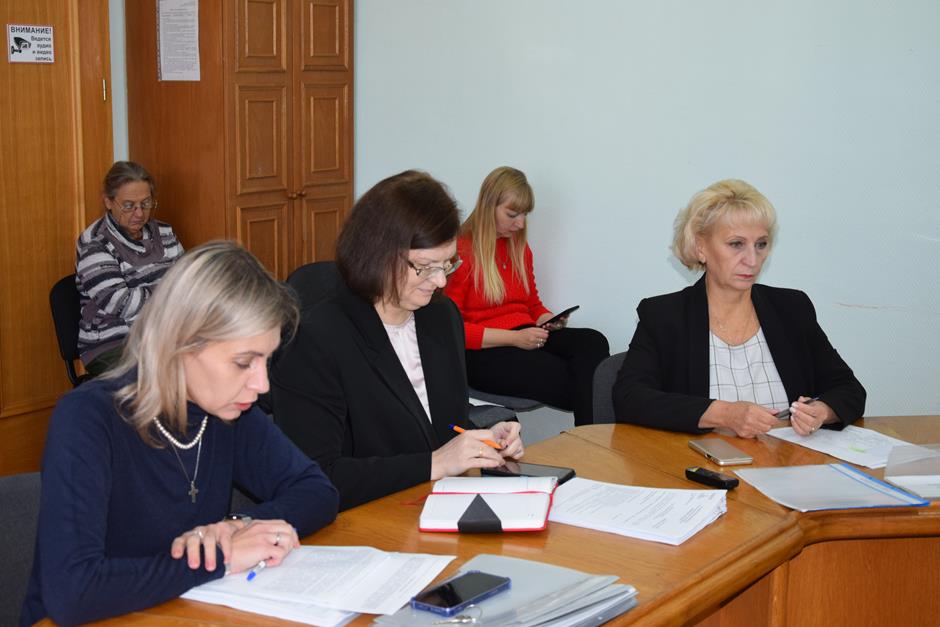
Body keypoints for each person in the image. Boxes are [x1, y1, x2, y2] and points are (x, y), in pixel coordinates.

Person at [22, 241, 339, 626]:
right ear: (181, 345)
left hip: (178, 611)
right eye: (243, 362)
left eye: (265, 361)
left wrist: (236, 527)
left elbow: (317, 491)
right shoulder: (87, 419)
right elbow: (73, 592)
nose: (261, 385)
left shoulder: (225, 408)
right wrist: (219, 558)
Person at [271, 170, 524, 510]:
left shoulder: (441, 317)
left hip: (433, 507)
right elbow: (318, 476)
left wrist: (483, 440)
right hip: (363, 519)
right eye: (425, 266)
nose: (440, 281)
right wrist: (435, 463)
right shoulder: (316, 340)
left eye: (447, 264)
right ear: (377, 253)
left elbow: (442, 426)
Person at [613, 179, 866, 437]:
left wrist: (822, 411)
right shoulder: (665, 315)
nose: (752, 260)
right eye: (736, 244)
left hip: (785, 457)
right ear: (701, 247)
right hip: (700, 459)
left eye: (761, 244)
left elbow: (849, 389)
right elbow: (629, 398)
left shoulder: (791, 308)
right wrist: (723, 414)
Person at [443, 166, 610, 426]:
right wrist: (514, 339)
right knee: (583, 385)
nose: (520, 223)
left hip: (524, 334)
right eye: (512, 214)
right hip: (482, 351)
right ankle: (590, 440)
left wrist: (548, 319)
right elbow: (451, 330)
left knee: (593, 341)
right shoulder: (460, 252)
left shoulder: (519, 247)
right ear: (488, 206)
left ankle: (588, 438)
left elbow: (531, 304)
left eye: (524, 215)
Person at [76, 160, 184, 375]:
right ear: (108, 201)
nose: (139, 213)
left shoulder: (165, 232)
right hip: (113, 343)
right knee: (166, 377)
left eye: (146, 203)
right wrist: (169, 291)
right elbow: (123, 304)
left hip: (165, 335)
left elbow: (189, 283)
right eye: (128, 205)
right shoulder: (94, 243)